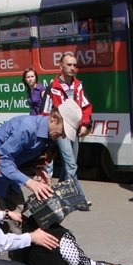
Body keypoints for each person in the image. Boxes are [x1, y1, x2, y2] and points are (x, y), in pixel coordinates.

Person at [0, 100, 81, 219]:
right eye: (63, 130)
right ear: (53, 118)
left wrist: (38, 169)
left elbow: (22, 156)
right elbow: (1, 159)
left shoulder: (48, 137)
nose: (63, 136)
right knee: (0, 223)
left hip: (10, 178)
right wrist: (30, 183)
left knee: (20, 219)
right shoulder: (27, 128)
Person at [41, 52, 92, 210]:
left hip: (74, 130)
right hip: (60, 131)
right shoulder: (53, 87)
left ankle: (59, 195)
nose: (72, 68)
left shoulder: (78, 85)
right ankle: (77, 198)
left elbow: (86, 106)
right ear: (61, 66)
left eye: (74, 65)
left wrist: (85, 124)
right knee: (71, 165)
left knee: (69, 165)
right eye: (69, 65)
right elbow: (44, 112)